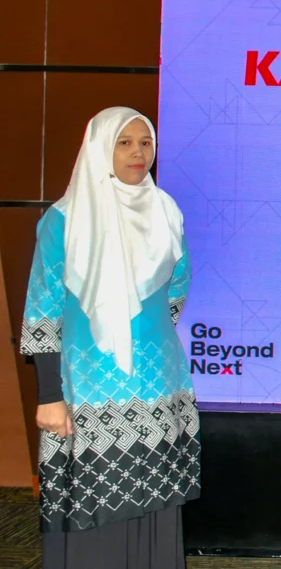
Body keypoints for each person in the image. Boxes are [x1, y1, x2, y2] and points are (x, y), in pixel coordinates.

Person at [21, 107, 198, 569]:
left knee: (154, 499)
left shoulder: (165, 211)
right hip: (87, 388)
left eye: (146, 142)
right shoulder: (64, 220)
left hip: (157, 384)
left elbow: (176, 289)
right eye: (124, 142)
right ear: (100, 147)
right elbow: (43, 310)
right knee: (93, 504)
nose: (139, 153)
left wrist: (141, 338)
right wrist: (49, 394)